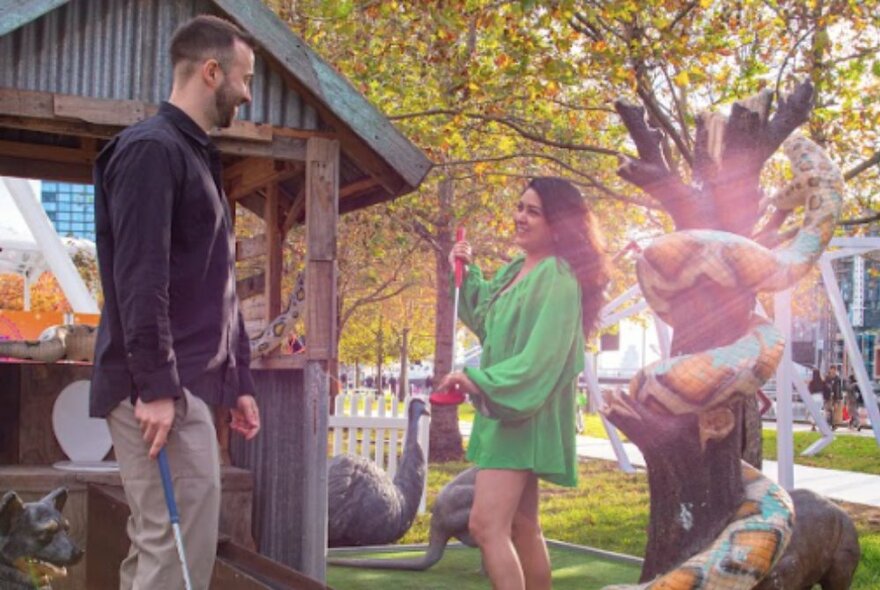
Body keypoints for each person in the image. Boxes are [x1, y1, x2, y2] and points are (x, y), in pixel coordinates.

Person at [90, 15, 260, 589]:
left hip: (187, 387)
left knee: (162, 544)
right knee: (175, 549)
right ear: (212, 72)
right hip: (161, 388)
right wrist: (157, 387)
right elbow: (141, 280)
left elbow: (217, 282)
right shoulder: (150, 152)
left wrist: (237, 380)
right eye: (245, 78)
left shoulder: (194, 157)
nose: (248, 93)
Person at [437, 177, 610, 590]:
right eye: (519, 207)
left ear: (559, 224)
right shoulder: (518, 268)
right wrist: (464, 271)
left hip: (521, 409)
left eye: (533, 211)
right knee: (521, 524)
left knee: (485, 525)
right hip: (507, 406)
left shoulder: (559, 276)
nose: (520, 217)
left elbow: (542, 360)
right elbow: (487, 321)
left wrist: (478, 381)